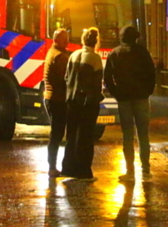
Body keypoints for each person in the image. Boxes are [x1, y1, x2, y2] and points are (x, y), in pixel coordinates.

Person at [103, 25, 156, 182]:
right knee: (143, 134)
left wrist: (116, 93)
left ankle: (130, 171)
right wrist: (148, 91)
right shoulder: (142, 53)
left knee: (127, 135)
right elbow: (152, 74)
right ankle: (146, 170)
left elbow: (107, 78)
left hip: (124, 99)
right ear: (136, 37)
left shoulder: (115, 54)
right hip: (141, 98)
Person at [61, 27, 104, 181]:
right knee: (85, 136)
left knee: (71, 135)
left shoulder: (73, 55)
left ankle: (68, 167)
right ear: (96, 41)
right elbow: (97, 83)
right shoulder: (95, 58)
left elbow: (67, 77)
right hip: (87, 103)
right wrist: (97, 97)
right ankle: (84, 171)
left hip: (71, 101)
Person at [42, 28, 71, 177]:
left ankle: (52, 166)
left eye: (67, 38)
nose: (67, 41)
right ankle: (52, 167)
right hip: (57, 99)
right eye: (64, 38)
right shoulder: (59, 57)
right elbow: (66, 79)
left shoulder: (51, 52)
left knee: (56, 133)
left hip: (51, 97)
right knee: (57, 134)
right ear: (56, 40)